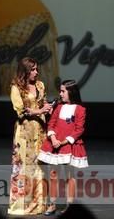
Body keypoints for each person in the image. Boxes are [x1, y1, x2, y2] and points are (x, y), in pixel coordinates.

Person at [8, 56, 52, 216]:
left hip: (40, 131)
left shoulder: (40, 85)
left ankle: (39, 204)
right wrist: (39, 111)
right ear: (25, 71)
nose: (36, 72)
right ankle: (21, 204)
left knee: (40, 168)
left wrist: (48, 108)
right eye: (32, 69)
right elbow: (20, 111)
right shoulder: (16, 87)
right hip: (25, 133)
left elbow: (43, 103)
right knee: (24, 168)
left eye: (37, 69)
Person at [38, 79, 89, 215]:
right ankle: (52, 204)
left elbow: (79, 129)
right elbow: (51, 124)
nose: (60, 94)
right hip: (55, 145)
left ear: (71, 92)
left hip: (68, 146)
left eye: (63, 91)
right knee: (53, 175)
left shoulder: (80, 109)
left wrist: (64, 142)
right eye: (60, 91)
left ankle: (69, 205)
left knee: (69, 177)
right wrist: (54, 138)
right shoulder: (59, 107)